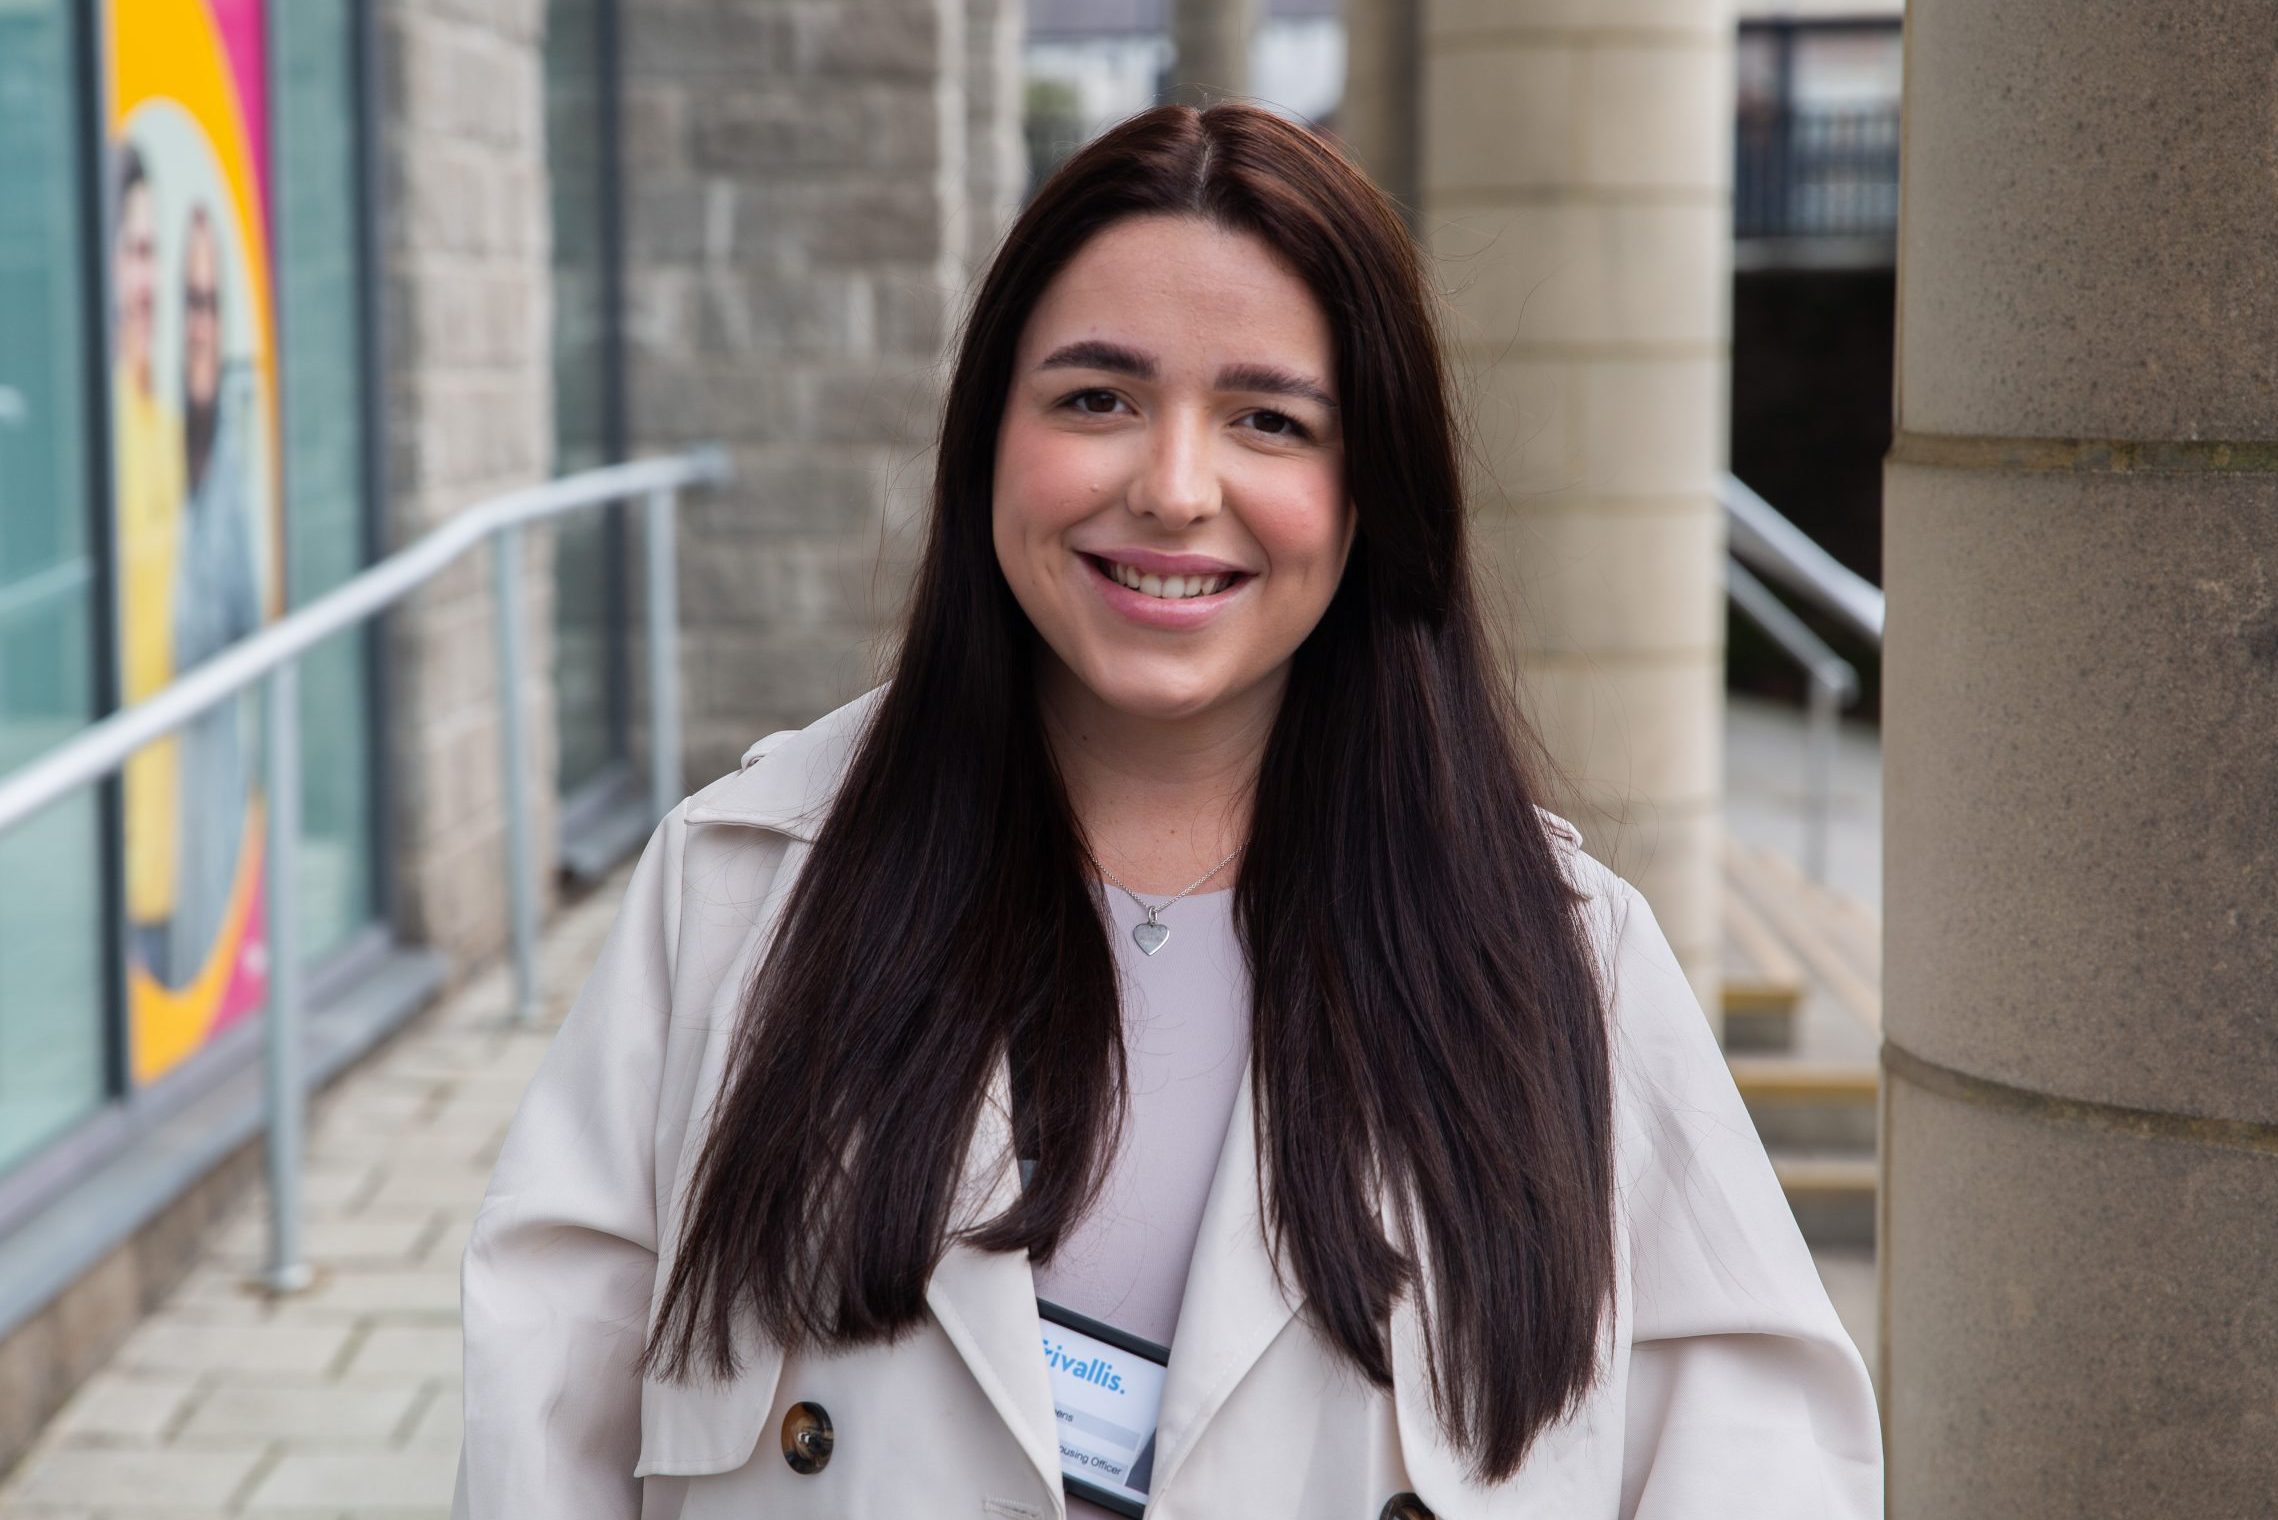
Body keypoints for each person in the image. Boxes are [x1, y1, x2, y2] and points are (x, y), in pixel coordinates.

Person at [454, 104, 1882, 1519]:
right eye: (1096, 399)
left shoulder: (1566, 967)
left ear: (1369, 490)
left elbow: (1758, 1464)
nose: (1174, 489)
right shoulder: (736, 891)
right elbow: (541, 1432)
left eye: (1269, 421)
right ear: (986, 437)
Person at [163, 204, 262, 986]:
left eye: (211, 304)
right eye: (188, 303)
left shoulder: (232, 439)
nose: (200, 327)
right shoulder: (146, 439)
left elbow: (241, 614)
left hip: (214, 755)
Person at [112, 144, 186, 983]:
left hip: (168, 865)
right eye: (133, 252)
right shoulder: (90, 443)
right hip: (110, 868)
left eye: (152, 255)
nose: (147, 284)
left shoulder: (157, 424)